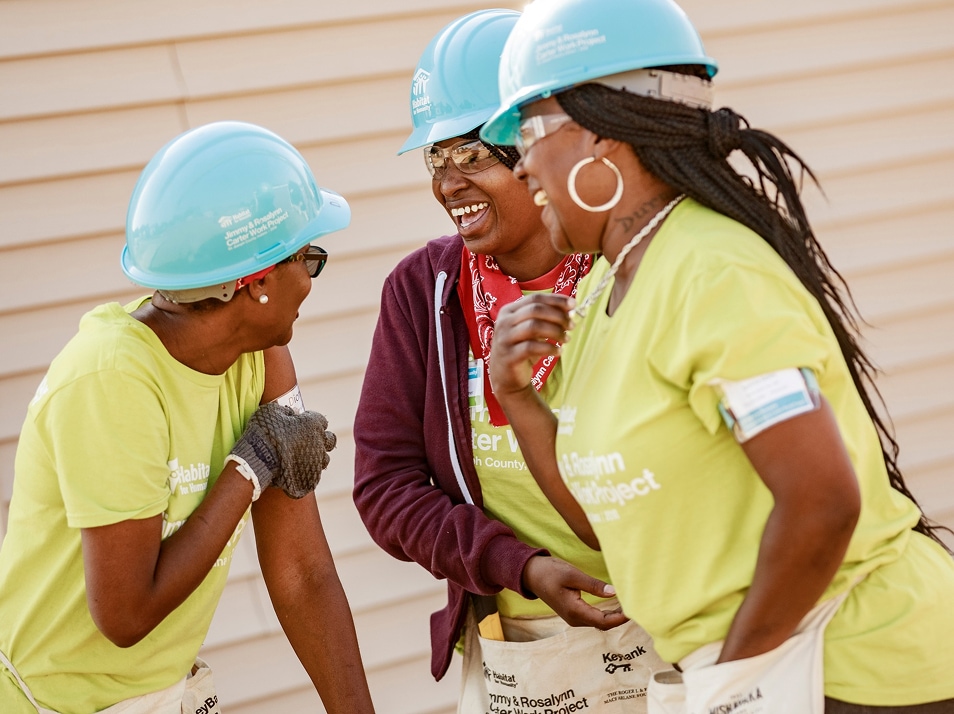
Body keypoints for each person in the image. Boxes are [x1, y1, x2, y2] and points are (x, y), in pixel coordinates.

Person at [479, 0, 954, 712]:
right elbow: (611, 521)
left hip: (862, 675)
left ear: (600, 137)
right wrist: (516, 397)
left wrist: (733, 686)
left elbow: (821, 502)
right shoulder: (610, 285)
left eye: (528, 128)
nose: (520, 165)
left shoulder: (711, 274)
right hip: (763, 670)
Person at [352, 9, 671, 713]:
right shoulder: (425, 291)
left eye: (472, 156)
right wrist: (518, 565)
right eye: (437, 159)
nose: (449, 184)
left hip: (675, 618)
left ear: (532, 151)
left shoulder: (625, 267)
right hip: (525, 639)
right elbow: (385, 487)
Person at [0, 121, 376, 714]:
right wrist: (249, 468)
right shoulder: (111, 381)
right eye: (309, 257)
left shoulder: (261, 358)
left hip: (162, 694)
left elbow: (301, 571)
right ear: (255, 283)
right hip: (55, 703)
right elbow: (125, 616)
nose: (310, 280)